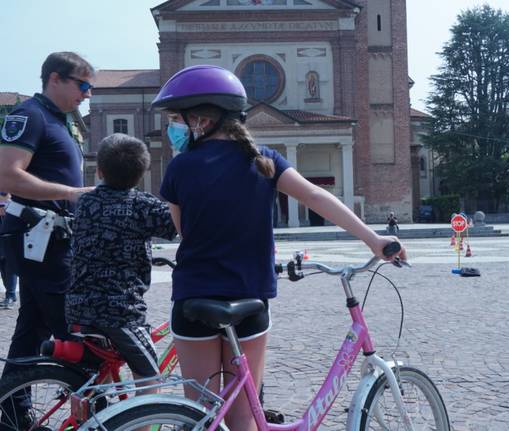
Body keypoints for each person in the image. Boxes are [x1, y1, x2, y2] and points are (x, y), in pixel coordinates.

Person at [153, 65, 406, 431]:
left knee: (201, 415)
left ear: (202, 119)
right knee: (243, 416)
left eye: (178, 118)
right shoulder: (265, 160)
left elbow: (182, 231)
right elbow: (317, 196)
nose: (175, 127)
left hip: (193, 298)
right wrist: (374, 239)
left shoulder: (180, 167)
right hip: (249, 297)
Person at [0, 52, 95, 424]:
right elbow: (7, 176)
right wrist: (72, 194)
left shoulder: (62, 119)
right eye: (83, 85)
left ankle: (12, 411)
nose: (87, 94)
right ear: (55, 78)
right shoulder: (30, 115)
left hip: (50, 237)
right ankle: (97, 410)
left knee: (31, 330)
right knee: (75, 332)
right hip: (36, 235)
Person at [65, 133, 177, 391]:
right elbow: (178, 223)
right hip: (120, 311)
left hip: (78, 306)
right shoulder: (142, 205)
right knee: (150, 376)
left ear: (100, 172)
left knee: (95, 372)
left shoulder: (84, 202)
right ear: (141, 174)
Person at [0, 192, 18, 309]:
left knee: (9, 263)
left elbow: (7, 196)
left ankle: (10, 295)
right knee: (2, 263)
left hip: (7, 222)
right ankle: (10, 294)